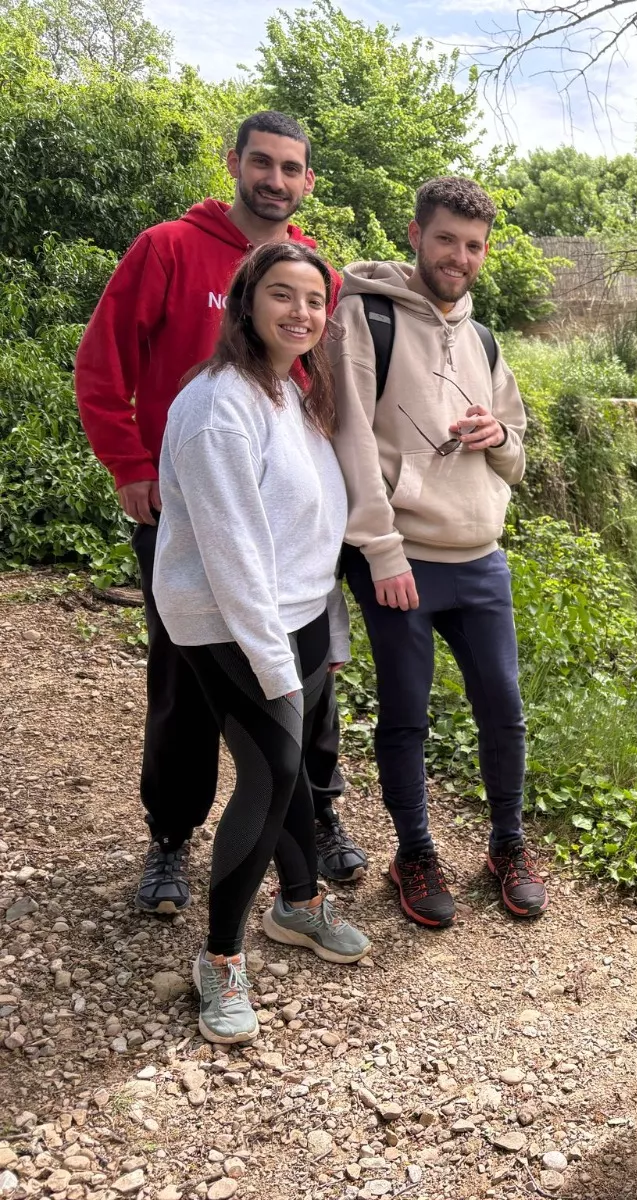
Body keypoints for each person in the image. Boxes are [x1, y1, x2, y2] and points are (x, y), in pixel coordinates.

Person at [74, 111, 369, 916]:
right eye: (262, 163)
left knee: (307, 682)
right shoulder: (168, 247)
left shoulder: (316, 272)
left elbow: (325, 391)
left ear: (308, 180)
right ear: (234, 162)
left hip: (288, 527)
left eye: (292, 168)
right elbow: (102, 363)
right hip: (186, 515)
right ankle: (171, 836)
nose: (275, 180)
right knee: (188, 679)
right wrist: (129, 465)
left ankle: (318, 812)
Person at [154, 241, 372, 1045]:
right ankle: (220, 958)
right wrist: (275, 662)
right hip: (233, 621)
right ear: (245, 302)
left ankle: (299, 902)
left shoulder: (290, 392)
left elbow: (314, 527)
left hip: (301, 612)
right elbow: (232, 551)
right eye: (282, 295)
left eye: (314, 300)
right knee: (274, 769)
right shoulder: (218, 407)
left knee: (298, 767)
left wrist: (330, 627)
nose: (301, 312)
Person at [329, 176, 539, 928]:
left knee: (503, 709)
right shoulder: (364, 316)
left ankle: (507, 845)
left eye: (474, 245)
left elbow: (518, 450)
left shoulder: (482, 336)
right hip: (403, 556)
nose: (460, 256)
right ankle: (413, 852)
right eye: (446, 239)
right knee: (406, 713)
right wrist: (380, 551)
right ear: (416, 235)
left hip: (479, 552)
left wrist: (500, 436)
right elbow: (348, 436)